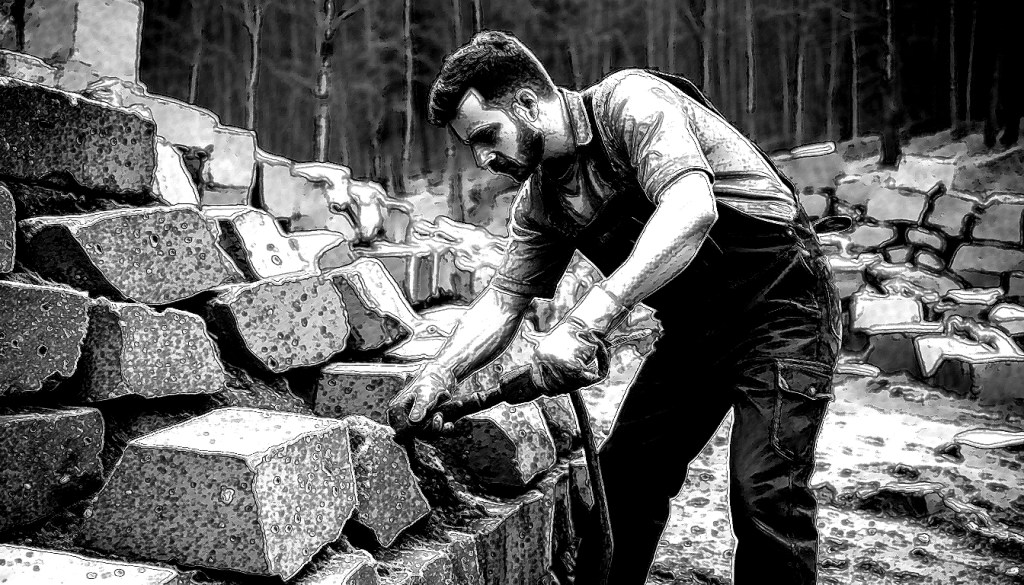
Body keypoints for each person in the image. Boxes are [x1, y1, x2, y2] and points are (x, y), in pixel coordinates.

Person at [388, 30, 841, 585]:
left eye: (487, 135)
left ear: (527, 102)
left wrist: (584, 323)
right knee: (625, 477)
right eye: (472, 146)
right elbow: (504, 301)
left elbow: (691, 208)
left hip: (784, 306)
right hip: (696, 331)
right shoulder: (541, 203)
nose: (483, 158)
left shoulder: (630, 103)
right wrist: (439, 373)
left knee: (764, 492)